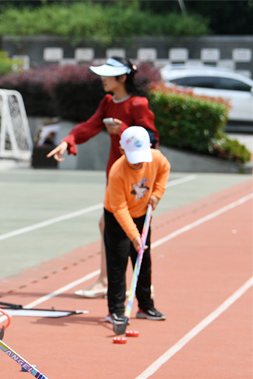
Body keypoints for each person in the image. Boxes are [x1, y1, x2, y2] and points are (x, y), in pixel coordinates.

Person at [47, 57, 158, 299]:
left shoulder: (138, 103)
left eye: (108, 75)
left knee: (126, 227)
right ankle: (114, 282)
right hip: (114, 172)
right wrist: (69, 140)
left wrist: (124, 130)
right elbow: (90, 125)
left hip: (134, 174)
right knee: (111, 225)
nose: (103, 79)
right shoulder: (108, 101)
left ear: (123, 77)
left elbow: (151, 138)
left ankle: (124, 283)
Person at [104, 126, 169, 333]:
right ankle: (115, 311)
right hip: (117, 218)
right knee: (118, 263)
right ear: (122, 152)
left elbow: (164, 170)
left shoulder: (156, 158)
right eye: (134, 157)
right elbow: (119, 208)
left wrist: (157, 194)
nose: (139, 162)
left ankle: (145, 306)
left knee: (143, 259)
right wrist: (133, 236)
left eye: (142, 156)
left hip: (142, 214)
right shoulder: (117, 171)